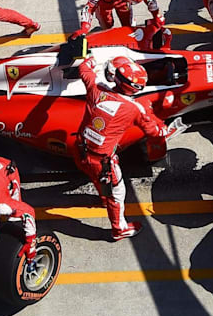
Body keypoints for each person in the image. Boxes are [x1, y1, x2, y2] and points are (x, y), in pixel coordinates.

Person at [72, 55, 176, 240]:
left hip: (79, 148)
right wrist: (170, 128)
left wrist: (91, 58)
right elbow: (155, 132)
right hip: (102, 161)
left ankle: (104, 198)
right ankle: (119, 229)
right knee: (117, 193)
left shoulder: (96, 89)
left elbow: (84, 70)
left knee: (96, 178)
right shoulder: (134, 109)